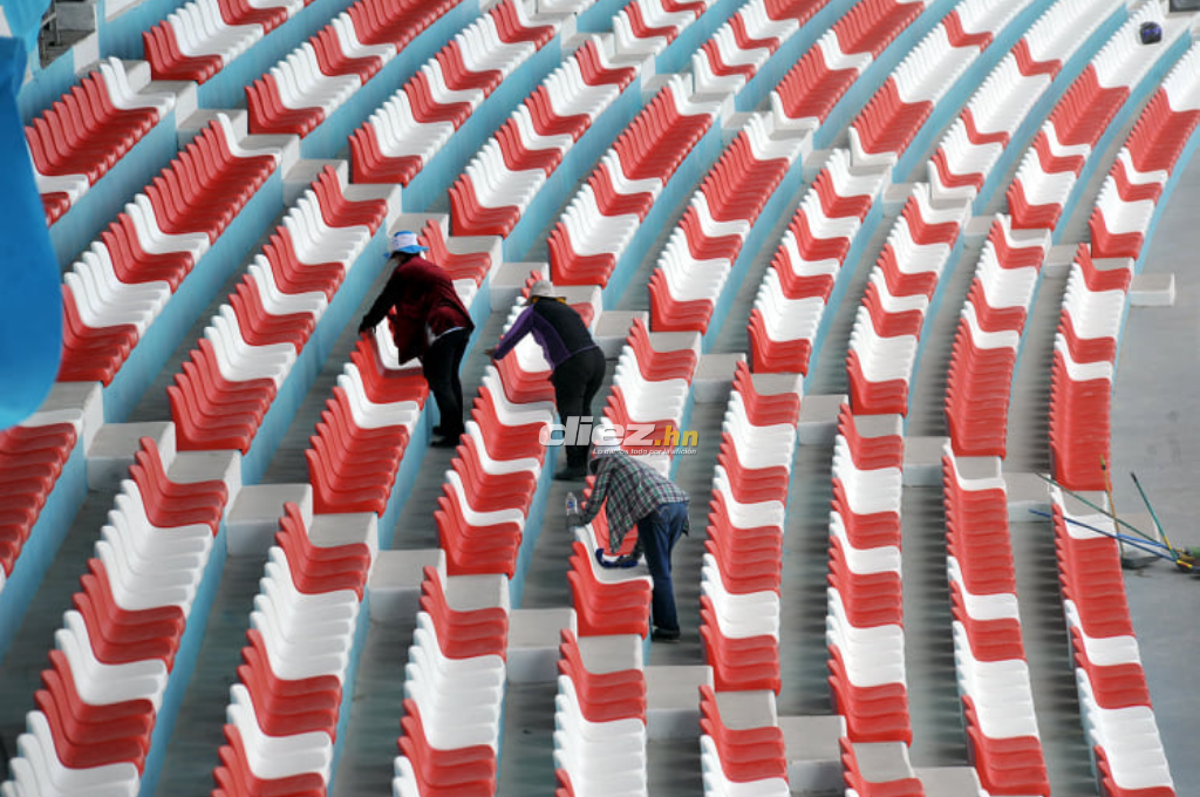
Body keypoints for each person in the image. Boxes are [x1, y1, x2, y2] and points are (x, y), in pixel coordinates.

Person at [358, 230, 474, 448]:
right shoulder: (429, 268)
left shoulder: (405, 272)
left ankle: (452, 435)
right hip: (461, 324)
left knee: (441, 382)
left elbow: (386, 299)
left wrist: (368, 321)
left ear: (400, 254)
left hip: (443, 327)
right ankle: (454, 426)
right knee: (450, 378)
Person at [567, 441, 690, 642]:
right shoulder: (635, 467)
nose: (598, 473)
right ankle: (666, 622)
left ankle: (669, 627)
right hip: (678, 507)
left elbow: (596, 499)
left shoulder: (609, 463)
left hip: (659, 511)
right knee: (661, 567)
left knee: (659, 572)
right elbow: (647, 526)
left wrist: (578, 519)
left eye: (596, 468)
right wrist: (634, 556)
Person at [488, 280, 606, 480]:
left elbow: (514, 335)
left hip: (574, 364)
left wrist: (497, 353)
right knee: (583, 411)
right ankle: (582, 459)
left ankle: (576, 465)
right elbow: (571, 340)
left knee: (571, 414)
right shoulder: (567, 310)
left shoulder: (534, 311)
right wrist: (561, 372)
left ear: (534, 298)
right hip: (596, 359)